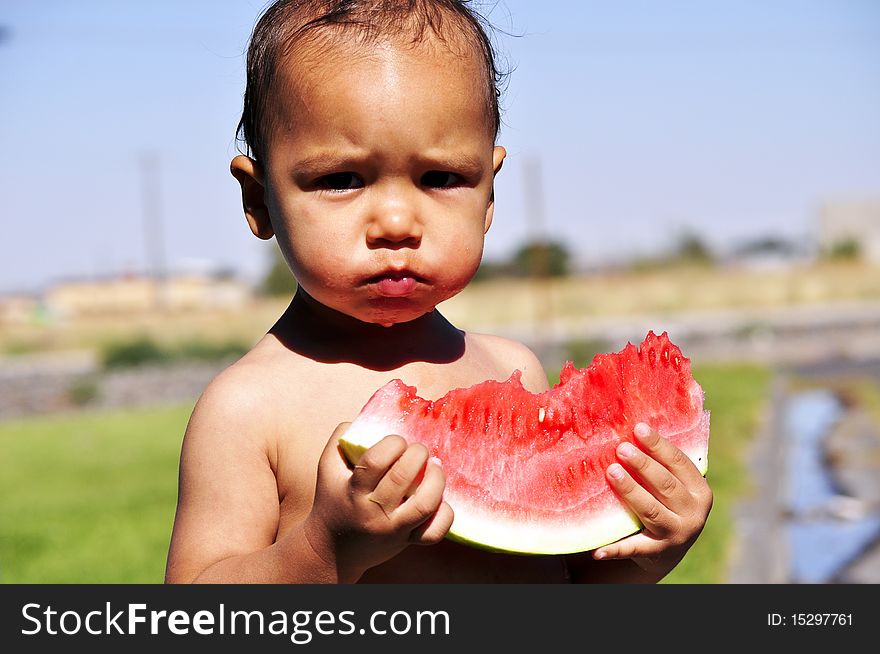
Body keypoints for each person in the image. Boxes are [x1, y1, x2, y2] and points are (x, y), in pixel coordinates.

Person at [164, 0, 712, 584]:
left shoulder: (512, 367)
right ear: (258, 199)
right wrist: (325, 550)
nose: (397, 222)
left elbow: (565, 584)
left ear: (490, 193)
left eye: (441, 178)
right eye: (341, 179)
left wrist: (647, 553)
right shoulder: (247, 407)